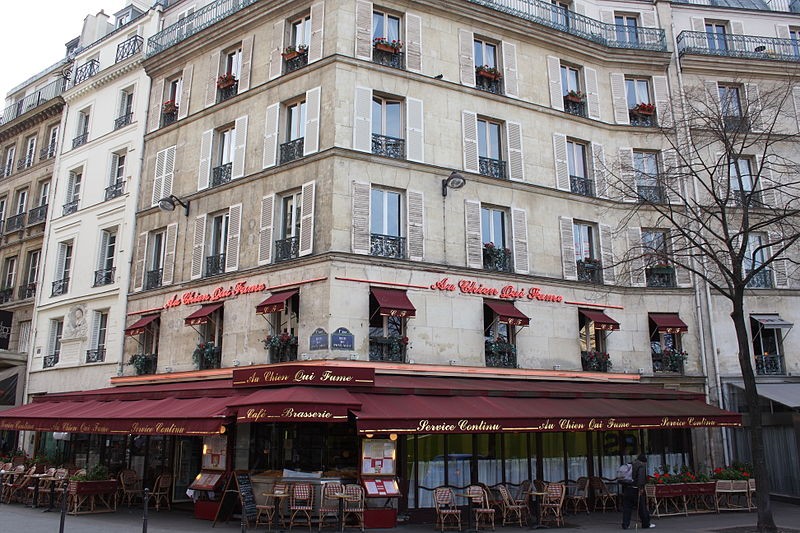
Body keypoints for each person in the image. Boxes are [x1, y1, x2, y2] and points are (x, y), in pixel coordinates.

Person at [621, 453, 654, 529]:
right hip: (636, 489)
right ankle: (646, 524)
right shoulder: (641, 466)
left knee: (627, 508)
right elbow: (641, 478)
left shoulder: (629, 464)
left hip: (627, 489)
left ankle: (625, 525)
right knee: (642, 507)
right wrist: (641, 488)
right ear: (643, 461)